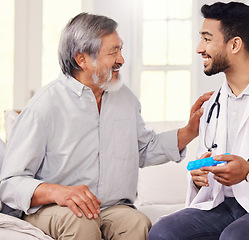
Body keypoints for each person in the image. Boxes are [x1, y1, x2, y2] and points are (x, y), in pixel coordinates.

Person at [0, 13, 211, 240]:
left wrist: (190, 130)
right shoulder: (43, 107)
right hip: (53, 209)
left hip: (110, 207)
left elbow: (143, 149)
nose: (121, 59)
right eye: (113, 52)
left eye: (121, 49)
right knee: (80, 220)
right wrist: (58, 192)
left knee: (136, 222)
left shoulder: (125, 98)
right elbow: (11, 183)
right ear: (82, 59)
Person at [148, 2, 249, 240]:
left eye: (207, 39)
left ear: (235, 44)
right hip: (223, 204)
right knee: (163, 232)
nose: (199, 48)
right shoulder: (213, 103)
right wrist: (197, 177)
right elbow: (203, 161)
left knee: (235, 237)